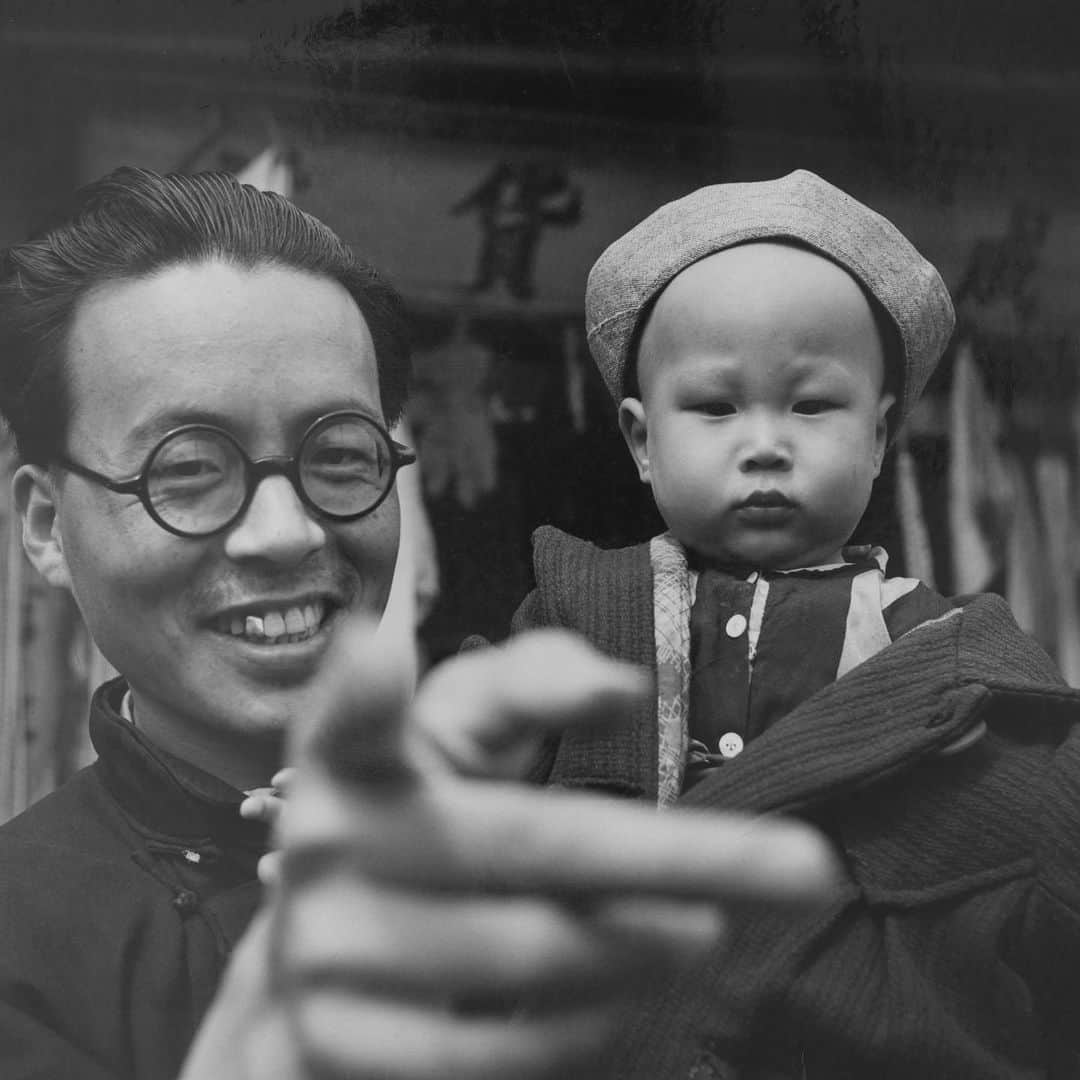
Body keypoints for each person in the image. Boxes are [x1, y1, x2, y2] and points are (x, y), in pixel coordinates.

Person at [0, 166, 840, 1080]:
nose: (287, 533)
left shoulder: (551, 821)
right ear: (45, 525)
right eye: (189, 468)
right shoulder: (23, 942)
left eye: (340, 455)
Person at [510, 170, 1080, 1077]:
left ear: (883, 436)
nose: (767, 441)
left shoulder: (941, 654)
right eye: (715, 405)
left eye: (813, 405)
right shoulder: (584, 611)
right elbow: (467, 773)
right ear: (641, 439)